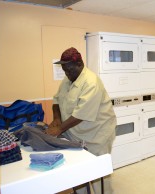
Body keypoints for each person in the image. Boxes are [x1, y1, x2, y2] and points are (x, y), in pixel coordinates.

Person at [45, 47, 116, 194]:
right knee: (78, 172)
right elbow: (57, 100)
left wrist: (58, 129)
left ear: (79, 65)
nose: (67, 74)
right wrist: (57, 119)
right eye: (64, 70)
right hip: (75, 134)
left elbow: (80, 114)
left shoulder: (91, 82)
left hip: (97, 135)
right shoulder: (68, 78)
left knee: (99, 175)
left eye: (69, 70)